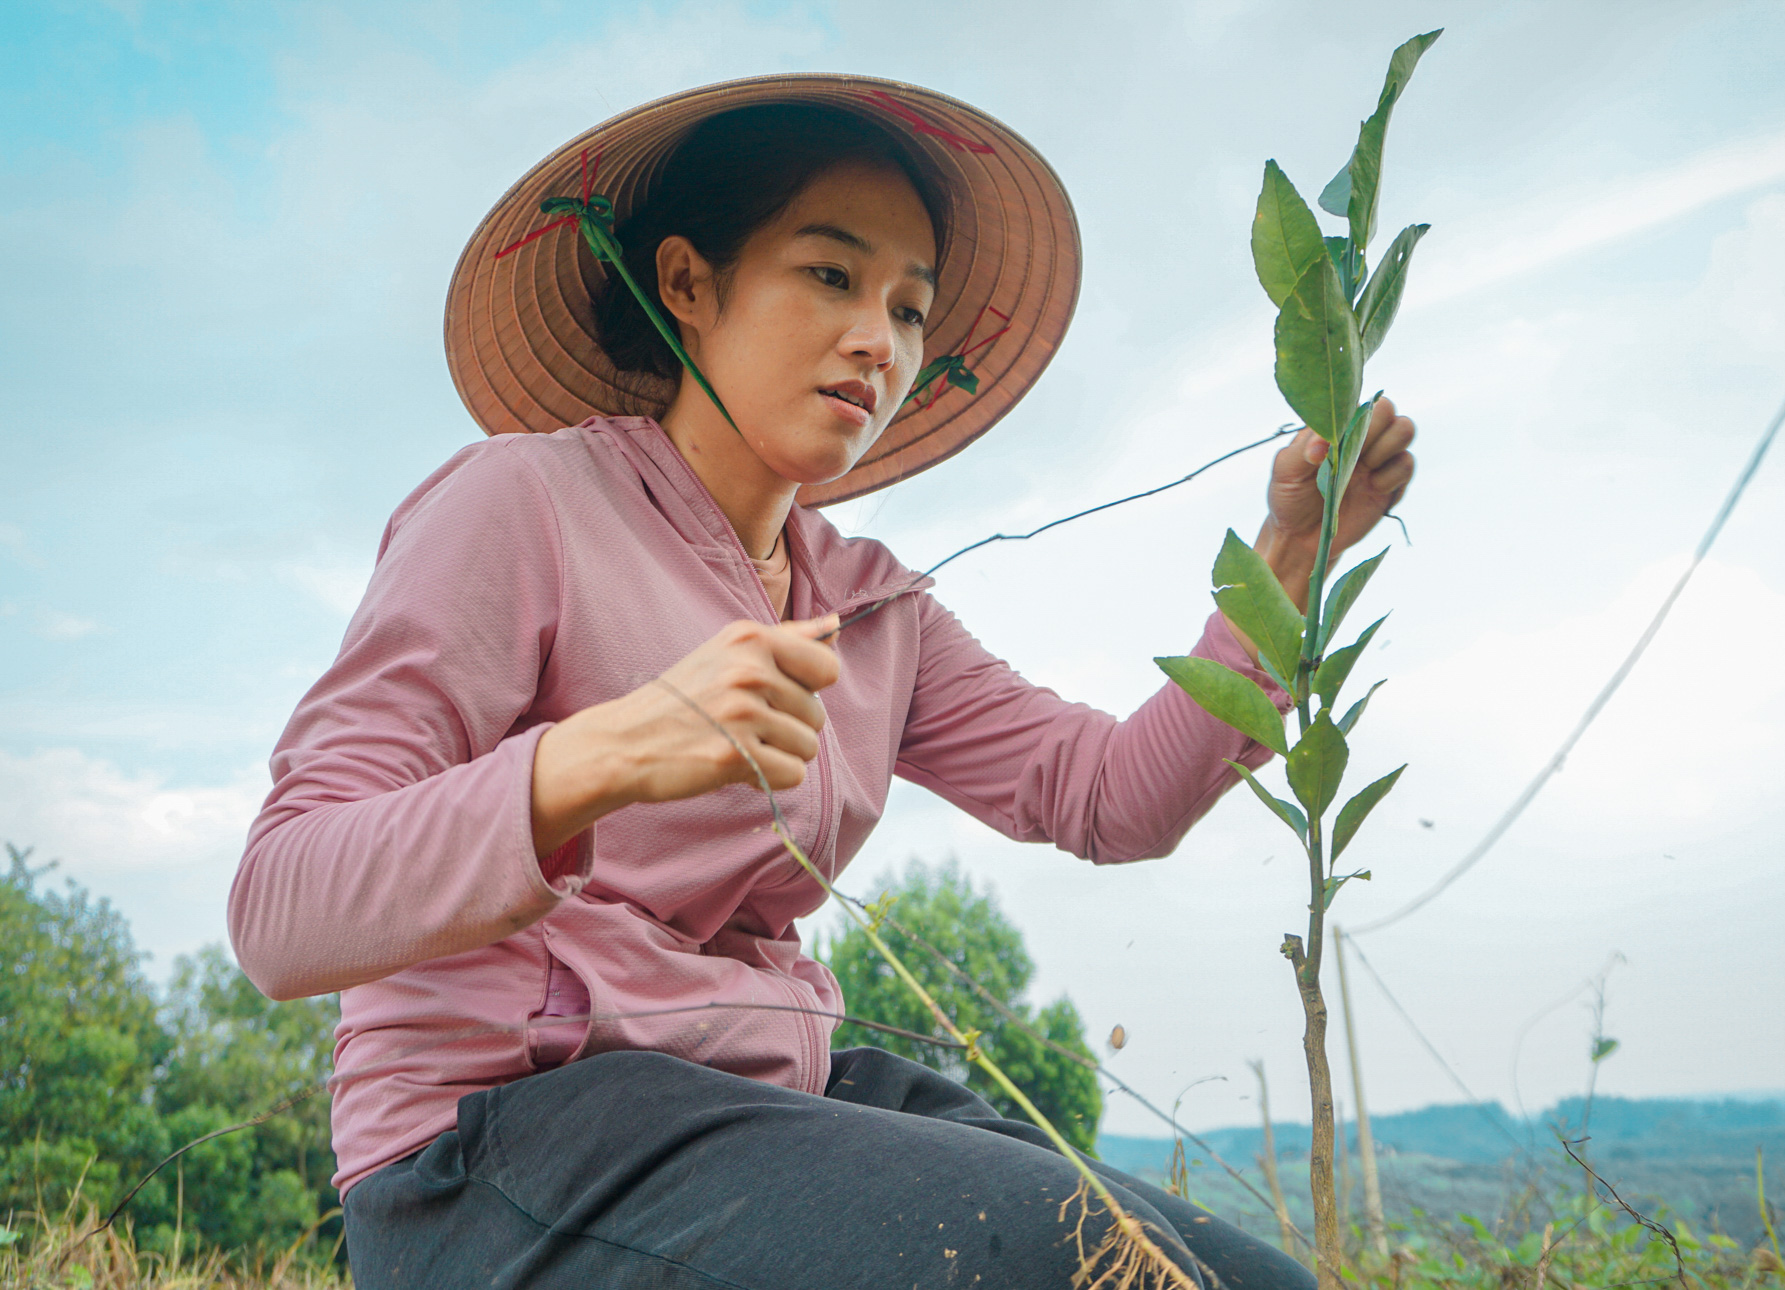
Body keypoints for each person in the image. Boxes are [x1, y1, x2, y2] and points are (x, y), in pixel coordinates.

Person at [228, 75, 1416, 1289]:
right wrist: (602, 755)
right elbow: (280, 908)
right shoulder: (520, 503)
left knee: (1212, 1273)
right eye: (831, 276)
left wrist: (1284, 567)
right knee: (1052, 1263)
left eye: (911, 310)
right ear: (688, 285)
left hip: (768, 1096)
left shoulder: (869, 601)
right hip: (496, 1144)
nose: (879, 342)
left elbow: (1108, 797)